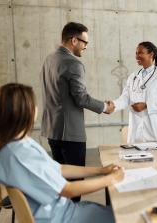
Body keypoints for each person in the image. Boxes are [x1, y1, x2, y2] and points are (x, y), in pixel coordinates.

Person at [0, 83, 124, 223]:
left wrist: (100, 170)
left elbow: (59, 169)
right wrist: (111, 179)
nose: (36, 108)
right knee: (127, 215)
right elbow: (68, 189)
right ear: (25, 111)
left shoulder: (16, 144)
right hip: (61, 217)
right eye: (33, 104)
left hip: (60, 212)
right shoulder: (20, 153)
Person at [40, 22, 113, 201]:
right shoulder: (73, 63)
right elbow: (81, 97)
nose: (86, 46)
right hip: (71, 134)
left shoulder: (49, 59)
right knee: (74, 188)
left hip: (52, 130)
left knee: (60, 184)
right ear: (74, 40)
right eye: (84, 42)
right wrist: (104, 107)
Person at [109, 41, 157, 143]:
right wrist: (113, 105)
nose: (137, 56)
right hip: (137, 130)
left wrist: (146, 105)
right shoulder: (133, 77)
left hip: (156, 130)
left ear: (151, 54)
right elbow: (125, 98)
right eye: (136, 53)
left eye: (140, 53)